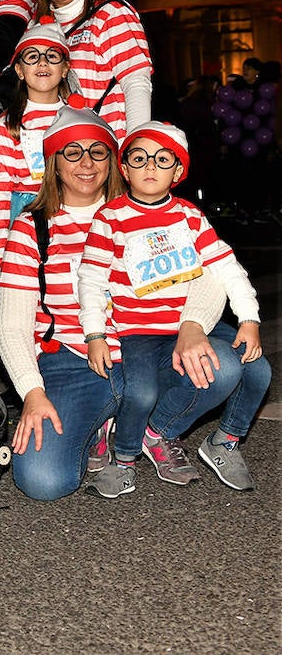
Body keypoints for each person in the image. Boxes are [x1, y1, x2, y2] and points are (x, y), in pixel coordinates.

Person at [0, 108, 218, 501]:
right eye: (72, 151)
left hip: (151, 347)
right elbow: (12, 325)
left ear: (113, 162)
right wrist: (32, 392)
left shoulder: (146, 210)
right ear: (53, 162)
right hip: (74, 359)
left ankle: (153, 428)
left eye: (98, 151)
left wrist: (193, 326)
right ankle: (104, 420)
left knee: (228, 364)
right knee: (44, 481)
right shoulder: (34, 228)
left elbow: (210, 273)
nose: (86, 162)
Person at [78, 121, 269, 496]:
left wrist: (249, 318)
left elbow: (226, 266)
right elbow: (91, 280)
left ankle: (216, 440)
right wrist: (95, 333)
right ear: (124, 168)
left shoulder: (190, 216)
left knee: (258, 369)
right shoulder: (110, 218)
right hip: (138, 332)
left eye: (162, 159)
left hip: (186, 325)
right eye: (140, 158)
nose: (150, 167)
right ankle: (126, 458)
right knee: (141, 393)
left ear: (178, 172)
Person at [29, 0, 153, 138]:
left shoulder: (111, 14)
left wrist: (136, 152)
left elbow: (136, 82)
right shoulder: (35, 27)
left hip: (106, 155)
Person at [0, 20, 74, 278]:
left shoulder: (79, 116)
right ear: (20, 70)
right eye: (33, 56)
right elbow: (0, 195)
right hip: (24, 223)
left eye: (52, 56)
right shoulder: (8, 124)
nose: (43, 63)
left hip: (72, 220)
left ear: (66, 68)